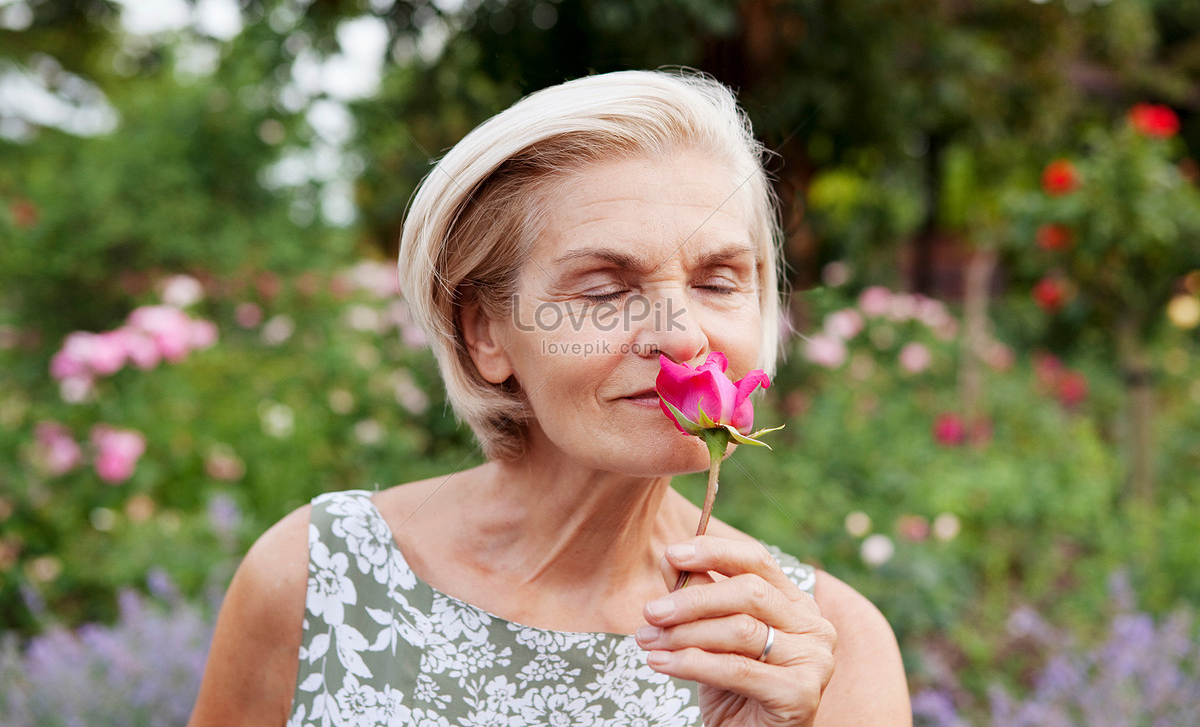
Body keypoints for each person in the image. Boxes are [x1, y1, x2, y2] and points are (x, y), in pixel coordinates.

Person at [189, 70, 911, 726]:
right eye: (604, 289)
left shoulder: (823, 650)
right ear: (485, 335)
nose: (683, 337)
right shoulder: (316, 575)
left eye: (718, 281)